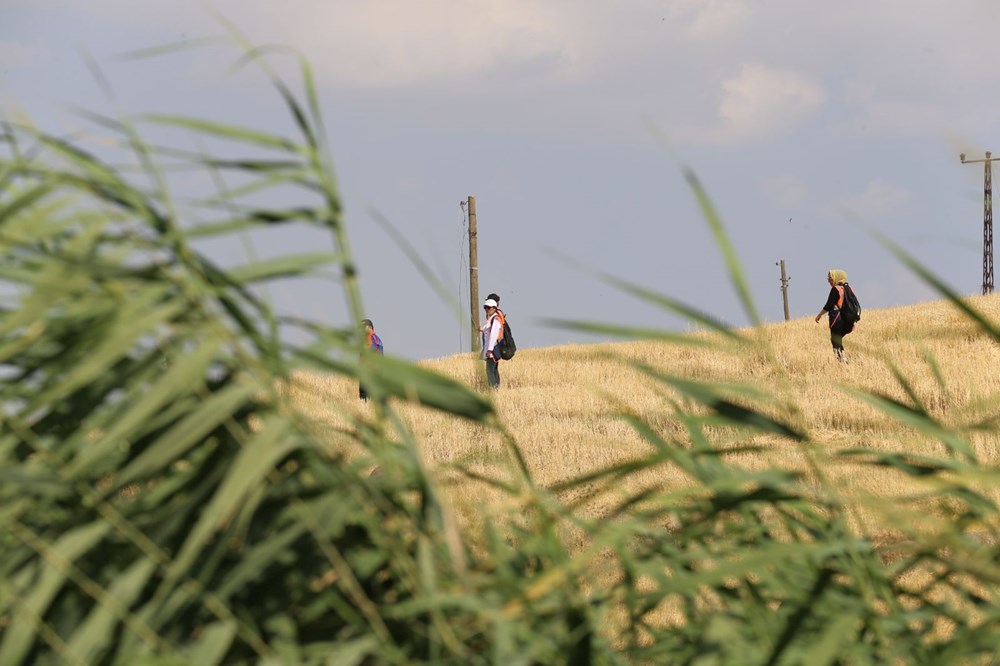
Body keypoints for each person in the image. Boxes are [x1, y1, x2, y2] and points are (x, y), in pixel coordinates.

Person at [814, 269, 854, 362]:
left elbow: (829, 305)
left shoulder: (835, 289)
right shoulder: (849, 289)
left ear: (837, 278)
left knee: (835, 340)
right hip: (849, 321)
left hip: (837, 319)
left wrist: (819, 315)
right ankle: (843, 358)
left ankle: (841, 360)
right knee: (837, 339)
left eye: (830, 279)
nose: (829, 281)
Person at [480, 296, 505, 389]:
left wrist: (490, 350)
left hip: (492, 350)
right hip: (492, 350)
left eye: (489, 307)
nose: (487, 309)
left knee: (490, 370)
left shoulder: (495, 319)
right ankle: (496, 388)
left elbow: (493, 335)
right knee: (493, 370)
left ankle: (493, 389)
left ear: (494, 308)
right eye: (485, 307)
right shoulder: (492, 318)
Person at [359, 318, 383, 400]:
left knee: (364, 397)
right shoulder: (378, 339)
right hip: (377, 371)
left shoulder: (369, 339)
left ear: (370, 328)